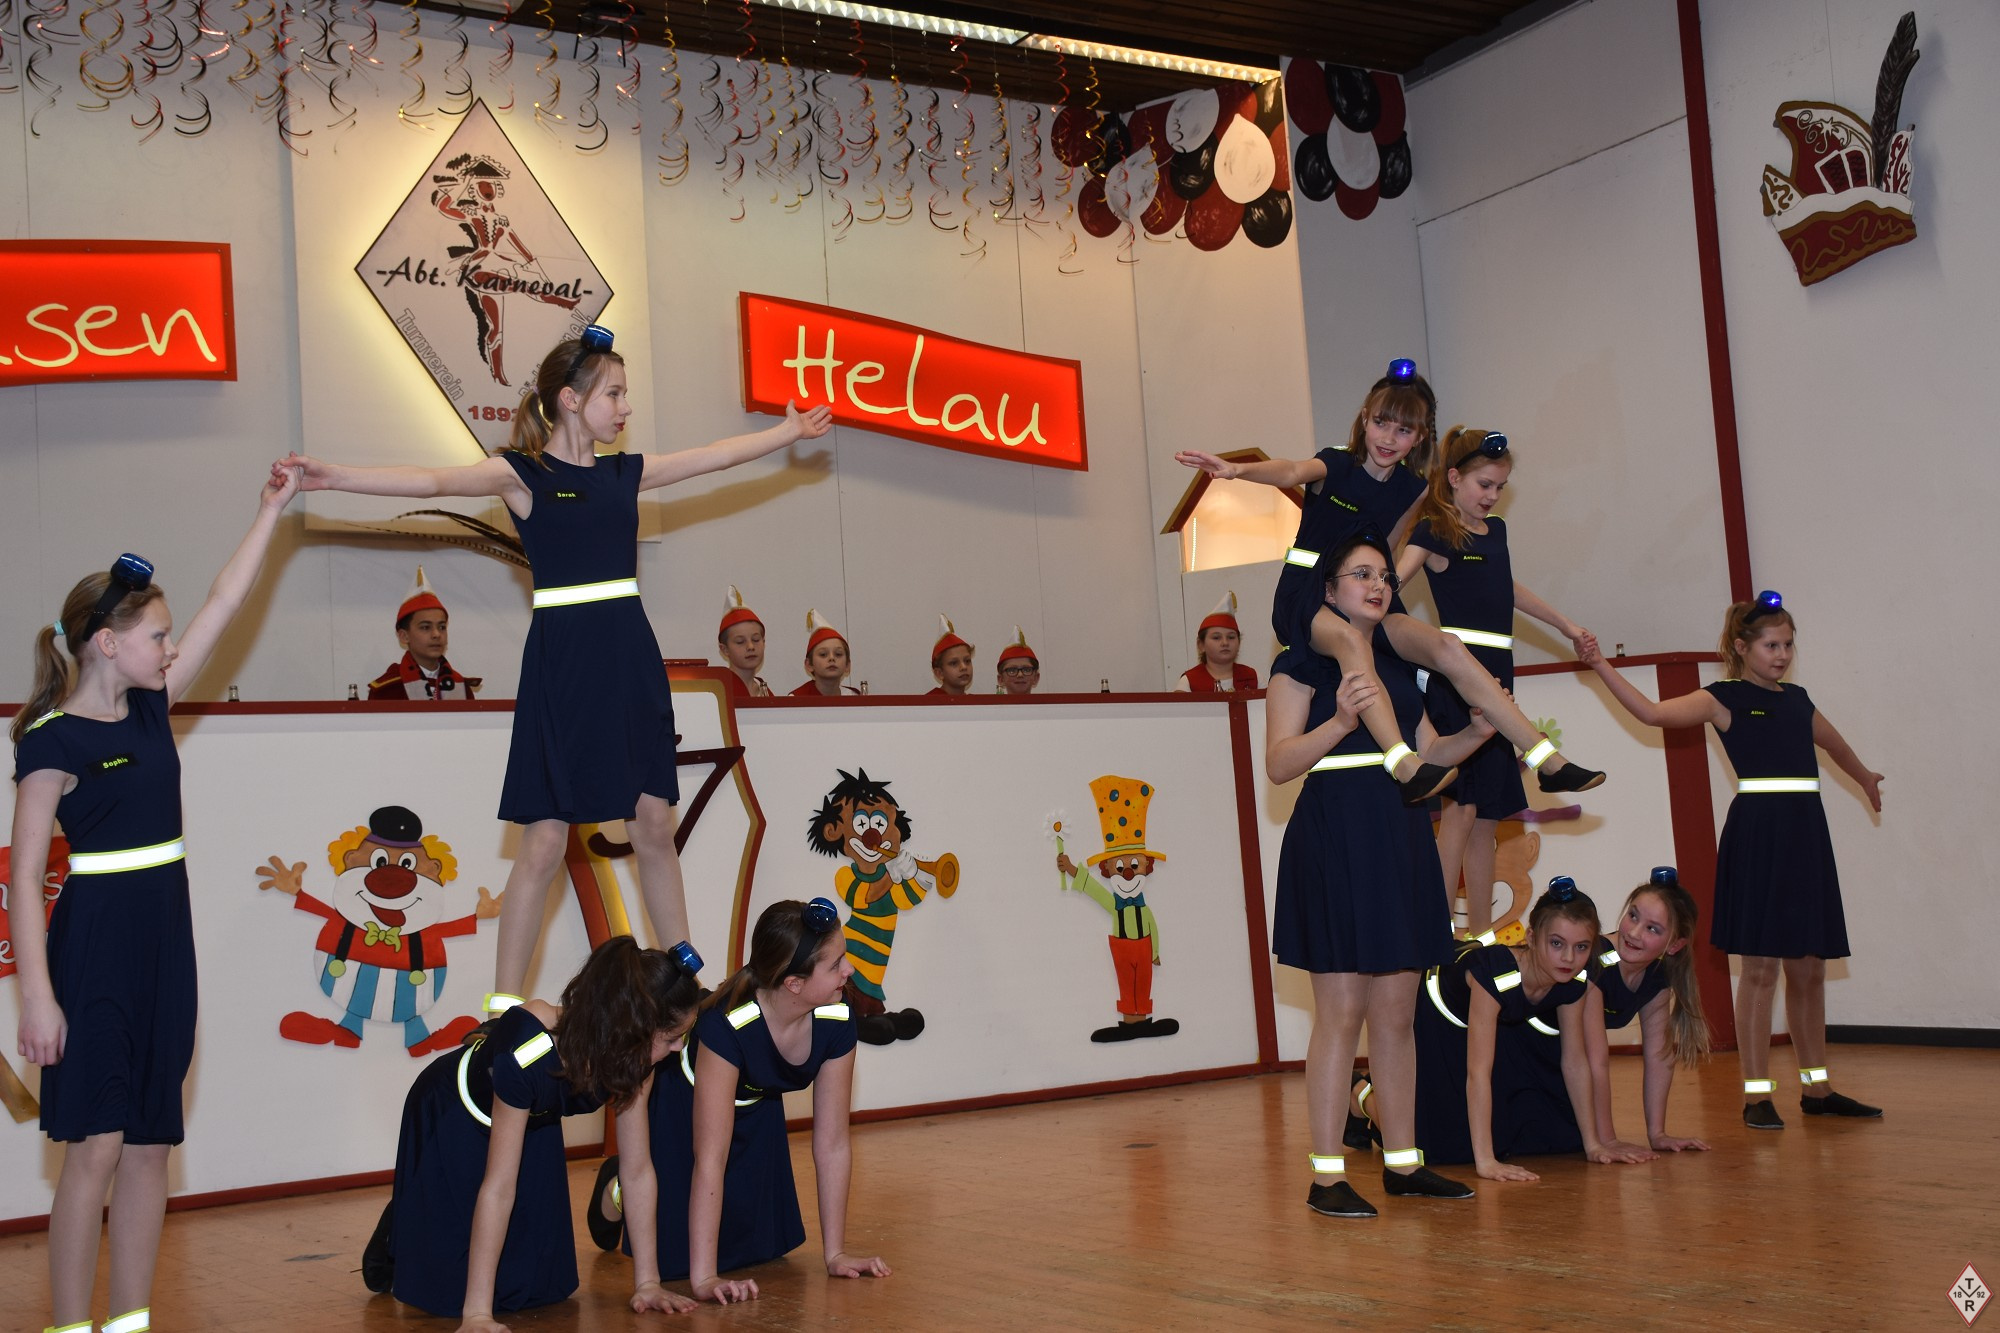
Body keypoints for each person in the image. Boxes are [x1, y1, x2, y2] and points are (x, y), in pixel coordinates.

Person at [277, 325, 833, 1008]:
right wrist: (332, 476)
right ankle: (505, 1006)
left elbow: (711, 458)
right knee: (543, 840)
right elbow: (432, 478)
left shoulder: (624, 473)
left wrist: (786, 432)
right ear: (570, 399)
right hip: (563, 666)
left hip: (628, 657)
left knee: (653, 823)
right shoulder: (522, 474)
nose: (626, 407)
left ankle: (685, 977)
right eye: (614, 393)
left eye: (625, 393)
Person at [10, 469, 300, 1333]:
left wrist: (270, 511)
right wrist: (36, 996)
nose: (171, 649)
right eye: (157, 636)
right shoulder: (50, 742)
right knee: (95, 1146)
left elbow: (225, 600)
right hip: (94, 948)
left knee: (147, 1146)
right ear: (106, 642)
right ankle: (70, 1325)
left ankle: (129, 1321)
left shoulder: (151, 707)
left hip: (165, 946)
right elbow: (24, 876)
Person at [1176, 361, 1602, 802]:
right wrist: (1236, 471)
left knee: (1447, 646)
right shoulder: (1336, 464)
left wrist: (1387, 585)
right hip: (1307, 595)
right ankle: (1403, 762)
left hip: (1368, 590)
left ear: (1418, 438)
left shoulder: (1413, 488)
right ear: (1365, 419)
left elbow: (1389, 547)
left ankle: (1545, 758)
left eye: (1403, 430)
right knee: (1350, 641)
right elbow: (1289, 471)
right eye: (1381, 423)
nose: (1388, 437)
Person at [1580, 591, 1884, 1128]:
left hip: (1805, 838)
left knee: (1809, 968)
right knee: (1761, 969)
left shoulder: (1798, 700)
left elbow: (1835, 747)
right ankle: (1756, 1095)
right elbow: (1652, 714)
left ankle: (1817, 1089)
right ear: (1742, 647)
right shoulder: (1722, 698)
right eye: (1771, 645)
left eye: (1788, 645)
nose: (1782, 654)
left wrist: (1864, 777)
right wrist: (1601, 664)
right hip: (1759, 838)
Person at [1265, 531, 1496, 1219]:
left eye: (1384, 576)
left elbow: (1428, 761)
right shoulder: (1297, 664)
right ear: (1328, 590)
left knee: (1397, 1014)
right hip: (1336, 834)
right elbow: (1278, 764)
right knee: (1341, 1013)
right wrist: (1339, 722)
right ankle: (1327, 1176)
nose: (1377, 585)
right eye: (1361, 574)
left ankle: (1403, 1163)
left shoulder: (1398, 666)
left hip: (1399, 835)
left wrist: (1474, 735)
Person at [361, 936, 706, 1328]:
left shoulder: (637, 1060)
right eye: (671, 1038)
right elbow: (498, 1188)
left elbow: (638, 1170)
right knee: (448, 1292)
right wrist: (477, 1315)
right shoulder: (527, 1051)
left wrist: (647, 1283)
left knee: (537, 1287)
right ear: (634, 1029)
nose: (679, 1049)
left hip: (533, 1116)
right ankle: (401, 1226)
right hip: (456, 1112)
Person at [587, 899, 891, 1305]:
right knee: (677, 1259)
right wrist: (704, 1279)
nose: (849, 970)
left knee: (756, 1251)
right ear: (793, 984)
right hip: (684, 1107)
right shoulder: (727, 1026)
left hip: (755, 1104)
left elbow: (833, 1143)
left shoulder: (836, 1017)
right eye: (836, 964)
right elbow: (710, 1158)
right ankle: (617, 1188)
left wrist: (835, 1254)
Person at [1396, 429, 1591, 935]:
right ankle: (1438, 935)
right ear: (1454, 478)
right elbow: (1392, 582)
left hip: (1499, 672)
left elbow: (1506, 588)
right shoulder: (1434, 531)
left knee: (1486, 818)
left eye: (1500, 487)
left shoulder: (1496, 531)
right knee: (1459, 813)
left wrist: (1565, 625)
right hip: (1457, 680)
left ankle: (1480, 937)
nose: (1492, 495)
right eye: (1484, 484)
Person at [1394, 879, 1653, 1181]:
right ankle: (1362, 1096)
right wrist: (1486, 1162)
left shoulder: (1574, 979)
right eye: (1556, 943)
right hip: (1437, 1014)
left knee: (1559, 1137)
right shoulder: (1497, 974)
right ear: (1531, 937)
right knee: (1446, 1147)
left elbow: (1574, 1061)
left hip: (1492, 1021)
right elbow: (1478, 1072)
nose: (1569, 958)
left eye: (1581, 947)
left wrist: (1594, 1144)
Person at [1581, 867, 1712, 1153]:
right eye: (1633, 916)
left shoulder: (1657, 974)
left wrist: (1657, 1134)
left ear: (1675, 945)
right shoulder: (1595, 960)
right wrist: (1608, 1141)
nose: (1634, 932)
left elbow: (1659, 1055)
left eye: (1652, 928)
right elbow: (1595, 1060)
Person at [368, 565, 482, 701]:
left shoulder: (461, 687)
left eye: (442, 627)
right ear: (404, 636)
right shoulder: (387, 690)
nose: (436, 634)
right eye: (425, 627)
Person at [1176, 591, 1258, 692]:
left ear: (1239, 642)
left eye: (1231, 637)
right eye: (1216, 638)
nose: (1225, 643)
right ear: (1201, 645)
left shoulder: (1255, 678)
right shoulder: (1188, 682)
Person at [718, 585, 772, 699]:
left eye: (756, 639)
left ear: (764, 642)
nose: (750, 646)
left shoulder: (765, 691)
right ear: (725, 649)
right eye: (740, 642)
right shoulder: (720, 691)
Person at [790, 609, 859, 697]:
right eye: (823, 654)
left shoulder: (854, 697)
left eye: (838, 654)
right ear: (809, 665)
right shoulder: (796, 699)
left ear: (847, 665)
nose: (831, 658)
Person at [926, 615, 973, 697]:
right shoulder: (928, 702)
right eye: (954, 663)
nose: (964, 667)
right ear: (939, 673)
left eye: (967, 661)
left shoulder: (976, 702)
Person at [996, 627, 1040, 696]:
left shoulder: (1052, 703)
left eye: (1026, 670)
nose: (1020, 675)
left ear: (1036, 677)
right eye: (1012, 670)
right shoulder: (987, 703)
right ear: (1001, 679)